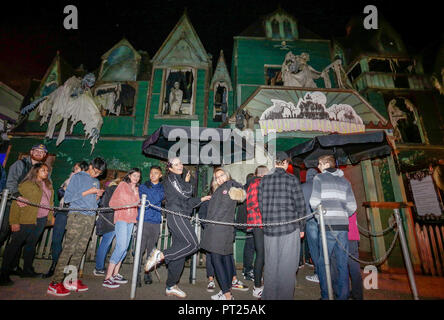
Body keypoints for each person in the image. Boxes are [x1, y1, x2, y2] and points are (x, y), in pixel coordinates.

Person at [144, 157, 210, 298]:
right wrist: (187, 183)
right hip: (176, 215)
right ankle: (160, 255)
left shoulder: (179, 180)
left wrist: (202, 199)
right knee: (193, 244)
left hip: (182, 215)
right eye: (176, 164)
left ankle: (171, 285)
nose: (180, 165)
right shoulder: (171, 178)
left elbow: (187, 201)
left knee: (179, 254)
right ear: (170, 168)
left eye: (180, 163)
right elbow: (185, 193)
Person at [47, 157, 106, 297]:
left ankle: (70, 280)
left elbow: (93, 202)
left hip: (90, 217)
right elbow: (67, 198)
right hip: (77, 216)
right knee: (69, 248)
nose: (96, 175)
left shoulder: (96, 181)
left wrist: (97, 196)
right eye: (95, 171)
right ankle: (55, 283)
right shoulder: (78, 177)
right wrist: (88, 192)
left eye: (99, 173)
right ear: (90, 166)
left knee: (80, 249)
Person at [258, 151, 306, 300]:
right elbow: (300, 205)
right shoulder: (291, 179)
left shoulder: (264, 180)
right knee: (287, 268)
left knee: (271, 267)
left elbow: (261, 204)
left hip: (270, 230)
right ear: (285, 163)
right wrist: (302, 227)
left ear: (274, 163)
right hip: (289, 229)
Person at [309, 154, 357, 300]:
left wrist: (320, 218)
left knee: (324, 263)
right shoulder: (345, 182)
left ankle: (326, 295)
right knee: (342, 263)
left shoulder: (319, 178)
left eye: (319, 164)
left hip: (327, 226)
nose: (318, 167)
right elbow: (352, 206)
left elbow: (314, 202)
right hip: (342, 226)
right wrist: (342, 215)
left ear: (326, 164)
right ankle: (343, 296)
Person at [0, 163, 54, 286]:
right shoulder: (26, 185)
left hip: (41, 220)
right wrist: (14, 222)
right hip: (26, 220)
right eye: (43, 170)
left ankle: (27, 270)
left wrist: (50, 217)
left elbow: (50, 202)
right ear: (35, 172)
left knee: (31, 245)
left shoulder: (48, 185)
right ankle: (3, 274)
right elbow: (16, 204)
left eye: (47, 170)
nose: (46, 172)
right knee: (14, 245)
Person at [200, 167, 246, 300]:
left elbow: (222, 209)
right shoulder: (224, 188)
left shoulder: (226, 187)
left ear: (227, 175)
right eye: (217, 177)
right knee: (225, 261)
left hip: (218, 230)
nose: (219, 179)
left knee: (217, 261)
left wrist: (209, 222)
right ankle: (227, 291)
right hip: (223, 230)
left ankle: (226, 295)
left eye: (221, 175)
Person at [0, 144, 48, 268]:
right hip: (13, 203)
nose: (38, 153)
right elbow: (10, 181)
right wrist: (17, 195)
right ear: (31, 151)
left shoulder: (41, 169)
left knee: (18, 238)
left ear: (45, 155)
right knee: (4, 231)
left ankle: (13, 267)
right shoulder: (20, 164)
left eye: (41, 152)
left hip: (27, 209)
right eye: (36, 151)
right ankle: (5, 269)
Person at [43, 161, 89, 278]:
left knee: (72, 242)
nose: (74, 170)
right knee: (56, 239)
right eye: (74, 168)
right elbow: (60, 193)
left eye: (77, 168)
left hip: (76, 213)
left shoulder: (87, 181)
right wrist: (65, 189)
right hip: (63, 211)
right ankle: (55, 264)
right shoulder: (70, 178)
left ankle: (67, 269)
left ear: (84, 169)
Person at [102, 168, 141, 289]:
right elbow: (112, 203)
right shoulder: (122, 185)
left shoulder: (137, 189)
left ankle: (115, 273)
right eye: (134, 175)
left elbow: (137, 204)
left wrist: (136, 196)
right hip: (121, 218)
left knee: (125, 248)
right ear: (129, 175)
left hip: (131, 220)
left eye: (138, 176)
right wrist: (126, 205)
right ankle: (107, 277)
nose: (136, 178)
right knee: (121, 246)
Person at [136, 165, 164, 287]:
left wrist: (150, 195)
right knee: (139, 249)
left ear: (160, 175)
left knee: (151, 251)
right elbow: (146, 201)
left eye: (156, 173)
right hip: (144, 221)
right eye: (151, 173)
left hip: (155, 222)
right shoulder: (142, 186)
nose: (153, 175)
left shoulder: (163, 188)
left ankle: (147, 273)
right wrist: (151, 197)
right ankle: (136, 275)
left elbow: (156, 198)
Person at [246, 165, 269, 298]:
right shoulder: (259, 183)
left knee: (261, 254)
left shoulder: (252, 183)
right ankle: (257, 286)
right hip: (260, 222)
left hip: (256, 222)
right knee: (262, 254)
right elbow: (257, 204)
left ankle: (259, 284)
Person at [93, 176, 122, 276]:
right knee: (106, 243)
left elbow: (102, 203)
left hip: (106, 218)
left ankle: (99, 266)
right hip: (112, 219)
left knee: (105, 243)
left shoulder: (108, 190)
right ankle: (99, 267)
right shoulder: (116, 190)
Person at [302, 168, 320, 283]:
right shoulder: (321, 185)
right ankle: (327, 272)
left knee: (314, 249)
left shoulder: (304, 187)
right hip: (323, 220)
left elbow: (301, 204)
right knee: (323, 247)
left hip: (310, 220)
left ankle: (319, 273)